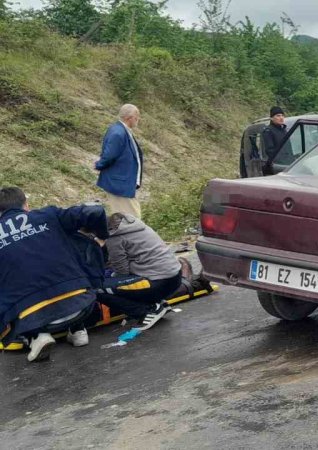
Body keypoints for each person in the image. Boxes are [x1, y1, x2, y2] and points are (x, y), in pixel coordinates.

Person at [0, 187, 107, 362]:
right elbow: (94, 211)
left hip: (31, 317)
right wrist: (101, 238)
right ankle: (78, 330)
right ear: (26, 205)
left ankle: (36, 337)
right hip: (82, 304)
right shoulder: (48, 215)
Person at [97, 213, 183, 330]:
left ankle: (146, 311)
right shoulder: (136, 226)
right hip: (175, 277)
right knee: (116, 282)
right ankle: (156, 303)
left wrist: (108, 277)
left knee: (96, 288)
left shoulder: (114, 237)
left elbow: (122, 272)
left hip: (158, 282)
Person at [95, 104, 144, 219]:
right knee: (132, 219)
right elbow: (109, 155)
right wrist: (99, 164)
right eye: (137, 117)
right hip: (119, 183)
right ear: (129, 118)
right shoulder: (118, 133)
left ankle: (124, 236)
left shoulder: (123, 130)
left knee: (125, 217)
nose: (138, 120)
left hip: (123, 183)